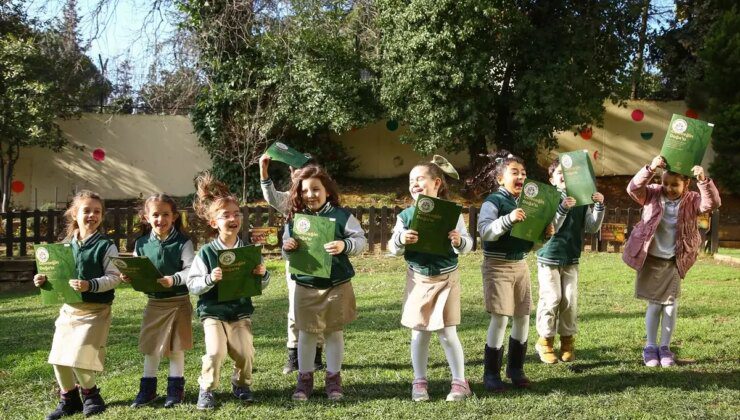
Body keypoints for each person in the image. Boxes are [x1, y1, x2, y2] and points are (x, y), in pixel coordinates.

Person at [388, 157, 474, 401]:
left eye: (420, 179)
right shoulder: (405, 216)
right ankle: (419, 381)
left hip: (447, 278)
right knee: (419, 333)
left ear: (437, 183)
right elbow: (392, 249)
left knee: (448, 333)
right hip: (418, 280)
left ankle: (459, 382)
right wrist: (401, 240)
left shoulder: (450, 213)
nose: (414, 183)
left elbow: (468, 245)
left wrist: (459, 241)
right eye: (411, 180)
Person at [623, 156, 720, 367]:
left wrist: (703, 180)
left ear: (686, 184)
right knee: (654, 304)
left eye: (674, 185)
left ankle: (665, 348)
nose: (669, 188)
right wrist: (650, 168)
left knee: (670, 305)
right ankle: (650, 347)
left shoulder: (693, 199)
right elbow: (633, 188)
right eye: (666, 183)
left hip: (675, 259)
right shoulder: (652, 193)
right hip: (651, 258)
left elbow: (712, 203)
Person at [33, 190, 121, 419]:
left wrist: (89, 285)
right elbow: (56, 278)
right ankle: (69, 399)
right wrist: (43, 281)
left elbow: (114, 277)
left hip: (96, 311)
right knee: (58, 358)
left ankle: (92, 396)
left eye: (97, 211)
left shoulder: (106, 246)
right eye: (86, 210)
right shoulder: (64, 247)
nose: (92, 215)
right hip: (69, 311)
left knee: (80, 360)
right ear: (74, 214)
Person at [282, 165, 366, 401]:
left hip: (336, 285)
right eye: (305, 190)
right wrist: (287, 248)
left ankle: (333, 380)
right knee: (306, 334)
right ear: (299, 194)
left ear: (327, 191)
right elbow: (286, 250)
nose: (311, 195)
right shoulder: (295, 220)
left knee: (333, 332)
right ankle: (305, 380)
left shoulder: (342, 216)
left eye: (316, 189)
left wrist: (344, 246)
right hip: (305, 284)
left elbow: (361, 241)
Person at [187, 173, 270, 409]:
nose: (232, 218)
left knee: (245, 353)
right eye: (225, 215)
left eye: (236, 214)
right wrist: (209, 279)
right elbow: (193, 284)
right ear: (214, 223)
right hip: (213, 312)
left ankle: (241, 384)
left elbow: (261, 283)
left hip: (239, 312)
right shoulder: (206, 253)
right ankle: (207, 389)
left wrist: (262, 274)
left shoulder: (248, 251)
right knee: (215, 353)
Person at [122, 193, 194, 408]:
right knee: (151, 346)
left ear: (174, 217)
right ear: (146, 217)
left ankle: (175, 391)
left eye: (165, 214)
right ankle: (148, 390)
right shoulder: (142, 244)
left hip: (179, 301)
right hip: (154, 303)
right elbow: (138, 269)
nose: (160, 219)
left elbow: (191, 270)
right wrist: (129, 276)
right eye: (155, 215)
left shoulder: (183, 242)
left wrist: (173, 279)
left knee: (177, 346)